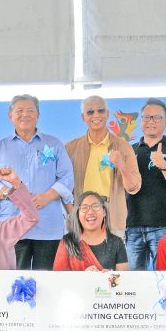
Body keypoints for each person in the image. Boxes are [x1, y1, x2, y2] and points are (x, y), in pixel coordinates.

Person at [0, 94, 74, 270]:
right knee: (13, 280)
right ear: (10, 116)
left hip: (48, 226)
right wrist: (11, 194)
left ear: (38, 115)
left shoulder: (54, 144)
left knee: (46, 281)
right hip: (12, 225)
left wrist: (47, 196)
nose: (25, 114)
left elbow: (67, 176)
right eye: (19, 111)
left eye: (30, 110)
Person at [65, 96, 141, 238]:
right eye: (90, 112)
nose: (96, 115)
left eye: (100, 110)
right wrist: (72, 213)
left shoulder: (123, 147)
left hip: (113, 219)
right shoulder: (70, 148)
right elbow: (62, 187)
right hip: (80, 220)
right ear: (83, 117)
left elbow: (134, 187)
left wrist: (121, 165)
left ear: (107, 114)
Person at [125, 98, 166, 271]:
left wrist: (163, 164)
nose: (151, 121)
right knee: (133, 281)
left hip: (163, 226)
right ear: (141, 121)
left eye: (157, 117)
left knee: (165, 277)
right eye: (146, 117)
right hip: (133, 226)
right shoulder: (129, 150)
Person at [54, 192, 128, 271]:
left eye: (95, 206)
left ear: (104, 212)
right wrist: (84, 276)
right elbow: (58, 277)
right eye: (84, 208)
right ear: (78, 214)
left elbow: (122, 277)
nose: (90, 212)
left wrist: (108, 276)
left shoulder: (116, 242)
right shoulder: (67, 242)